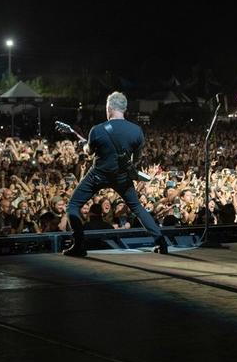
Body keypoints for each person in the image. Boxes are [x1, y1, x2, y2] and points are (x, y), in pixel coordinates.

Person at [64, 91, 168, 257]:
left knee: (73, 206)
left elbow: (89, 152)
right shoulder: (137, 131)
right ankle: (162, 243)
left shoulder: (97, 130)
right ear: (124, 109)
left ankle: (79, 245)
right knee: (137, 208)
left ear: (109, 107)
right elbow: (136, 159)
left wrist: (84, 144)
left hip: (97, 175)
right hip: (122, 177)